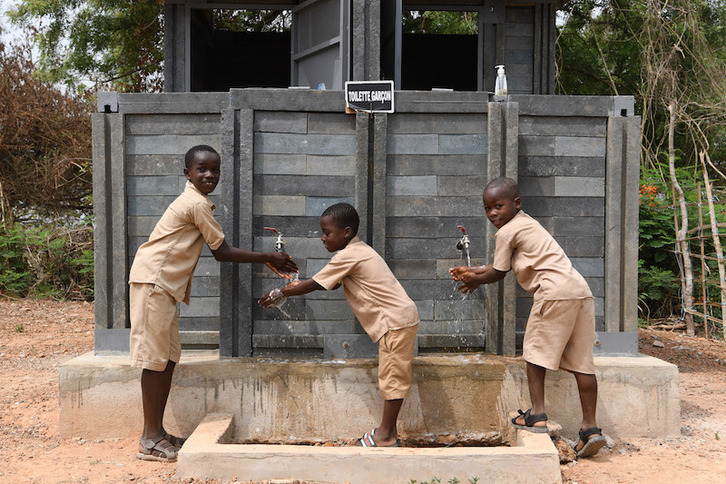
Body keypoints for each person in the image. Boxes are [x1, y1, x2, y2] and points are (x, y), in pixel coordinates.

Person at [128, 145, 298, 462]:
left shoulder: (197, 202)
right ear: (187, 174)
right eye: (202, 169)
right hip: (153, 282)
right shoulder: (195, 204)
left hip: (162, 285)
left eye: (215, 170)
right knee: (155, 360)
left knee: (167, 358)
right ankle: (150, 439)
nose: (210, 175)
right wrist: (268, 257)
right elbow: (222, 252)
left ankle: (158, 433)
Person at [449, 177, 606, 458]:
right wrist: (474, 273)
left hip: (553, 292)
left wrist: (474, 278)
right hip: (579, 291)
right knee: (583, 362)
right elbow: (500, 266)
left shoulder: (506, 232)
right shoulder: (528, 223)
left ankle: (537, 414)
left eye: (498, 206)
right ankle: (590, 428)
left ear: (516, 204)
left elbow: (498, 273)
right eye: (487, 208)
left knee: (534, 353)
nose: (493, 213)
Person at [258, 202, 419, 447]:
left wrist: (281, 292)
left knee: (393, 378)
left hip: (394, 322)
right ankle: (389, 433)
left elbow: (315, 284)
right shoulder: (356, 252)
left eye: (327, 232)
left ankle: (385, 436)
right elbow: (329, 282)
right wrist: (291, 285)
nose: (322, 238)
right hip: (398, 320)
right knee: (391, 375)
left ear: (346, 232)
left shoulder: (350, 255)